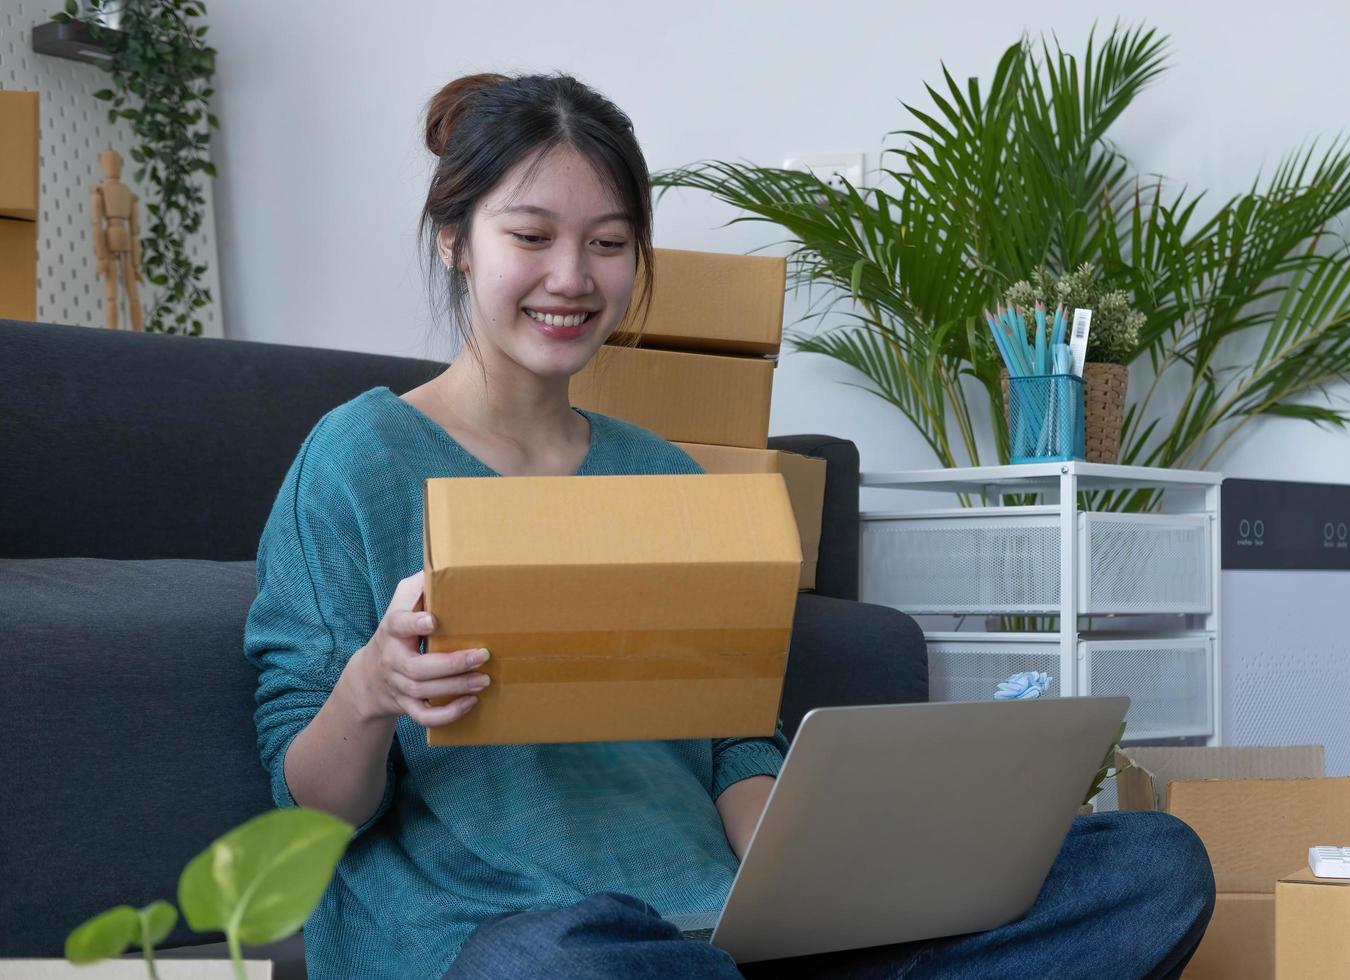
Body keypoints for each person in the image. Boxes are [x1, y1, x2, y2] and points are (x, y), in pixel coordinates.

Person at [244, 71, 1215, 980]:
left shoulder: (662, 473)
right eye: (530, 236)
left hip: (719, 932)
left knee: (1148, 864)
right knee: (568, 960)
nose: (573, 277)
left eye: (610, 243)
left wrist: (824, 891)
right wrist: (371, 686)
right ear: (457, 239)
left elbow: (738, 747)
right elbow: (315, 805)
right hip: (510, 936)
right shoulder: (358, 458)